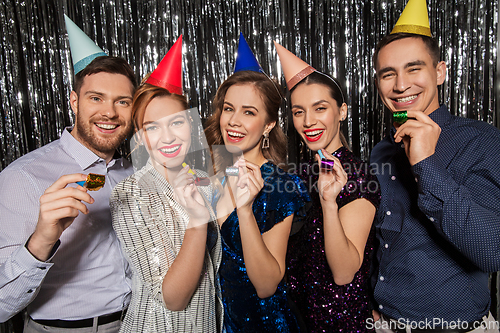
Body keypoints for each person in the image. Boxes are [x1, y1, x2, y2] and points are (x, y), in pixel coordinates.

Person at [0, 15, 136, 333]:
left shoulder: (135, 171)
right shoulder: (24, 177)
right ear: (74, 101)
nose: (109, 113)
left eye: (123, 101)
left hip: (136, 324)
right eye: (96, 98)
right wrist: (42, 239)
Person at [369, 1, 500, 332]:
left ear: (439, 71)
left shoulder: (482, 141)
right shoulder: (382, 151)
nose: (400, 85)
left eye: (414, 69)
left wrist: (426, 164)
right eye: (388, 74)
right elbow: (382, 242)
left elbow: (491, 251)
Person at [109, 36, 222, 333]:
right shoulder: (130, 194)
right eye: (152, 127)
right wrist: (197, 221)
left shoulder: (203, 180)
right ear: (140, 135)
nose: (168, 137)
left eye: (177, 122)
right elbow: (173, 298)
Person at [204, 34, 309, 333]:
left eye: (248, 112)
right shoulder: (213, 179)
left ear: (268, 124)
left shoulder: (281, 187)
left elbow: (265, 285)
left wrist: (246, 210)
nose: (233, 121)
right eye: (228, 108)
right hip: (224, 324)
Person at [274, 42, 381, 332]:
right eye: (298, 112)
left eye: (320, 108)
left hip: (341, 324)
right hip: (298, 320)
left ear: (342, 111)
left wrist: (329, 203)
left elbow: (345, 272)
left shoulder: (358, 175)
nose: (308, 121)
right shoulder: (300, 176)